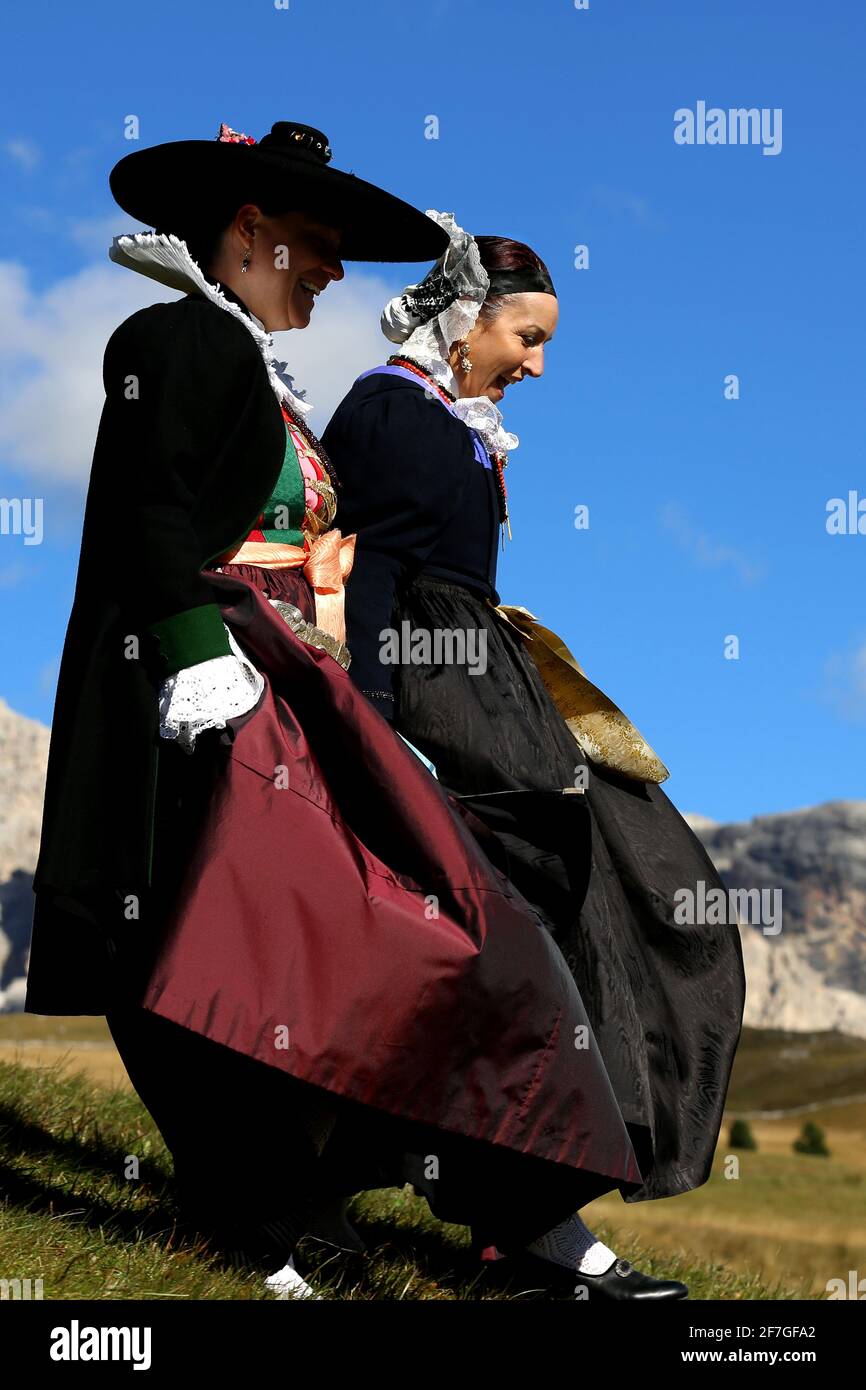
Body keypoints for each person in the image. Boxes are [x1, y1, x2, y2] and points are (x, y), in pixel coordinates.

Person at [25, 128, 661, 1301]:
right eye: (316, 246)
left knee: (441, 925)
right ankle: (285, 1229)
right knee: (310, 947)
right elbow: (143, 514)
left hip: (280, 685)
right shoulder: (173, 338)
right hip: (201, 700)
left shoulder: (258, 370)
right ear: (252, 231)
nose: (331, 272)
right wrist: (191, 658)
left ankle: (513, 1219)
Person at [321, 211, 747, 1297]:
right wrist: (375, 728)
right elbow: (358, 572)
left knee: (636, 891)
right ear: (465, 322)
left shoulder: (458, 424)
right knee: (510, 945)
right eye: (526, 338)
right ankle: (437, 1205)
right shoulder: (385, 408)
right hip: (433, 693)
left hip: (489, 685)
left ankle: (525, 1219)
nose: (538, 364)